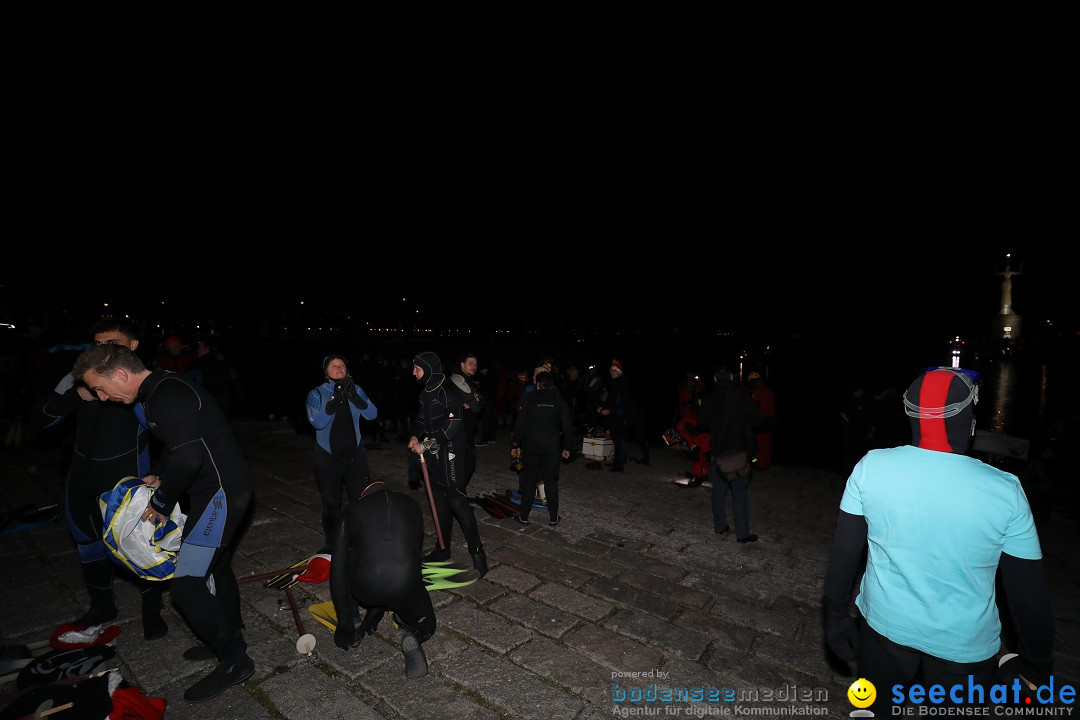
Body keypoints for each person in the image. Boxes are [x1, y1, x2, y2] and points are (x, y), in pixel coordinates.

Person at [822, 367, 1053, 716]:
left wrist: (836, 615)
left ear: (909, 414)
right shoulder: (1005, 490)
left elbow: (845, 553)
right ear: (969, 422)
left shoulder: (872, 466)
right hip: (964, 647)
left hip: (883, 629)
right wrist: (1036, 661)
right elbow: (1027, 592)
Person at [72, 343, 255, 703]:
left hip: (220, 496)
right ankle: (230, 636)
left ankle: (234, 661)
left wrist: (159, 502)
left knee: (186, 585)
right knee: (215, 568)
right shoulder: (164, 389)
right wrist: (161, 475)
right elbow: (184, 446)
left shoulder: (166, 395)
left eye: (101, 388)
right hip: (221, 490)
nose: (103, 397)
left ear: (121, 374)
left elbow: (189, 457)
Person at [32, 318, 166, 639]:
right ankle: (101, 607)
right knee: (87, 542)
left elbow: (170, 434)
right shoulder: (79, 376)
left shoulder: (141, 381)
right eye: (97, 344)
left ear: (132, 347)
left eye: (112, 344)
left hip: (125, 477)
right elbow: (39, 421)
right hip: (81, 476)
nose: (103, 350)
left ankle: (152, 610)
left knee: (140, 546)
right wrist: (78, 394)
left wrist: (163, 475)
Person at [330, 480, 436, 679]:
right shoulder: (412, 505)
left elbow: (337, 569)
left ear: (363, 496)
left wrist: (342, 619)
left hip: (365, 588)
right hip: (404, 586)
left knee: (354, 555)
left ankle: (354, 615)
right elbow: (410, 555)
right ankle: (415, 635)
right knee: (427, 621)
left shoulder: (351, 511)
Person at [407, 351, 487, 576]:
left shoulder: (448, 391)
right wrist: (415, 435)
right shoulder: (426, 392)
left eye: (417, 368)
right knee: (439, 500)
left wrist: (427, 444)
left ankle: (478, 554)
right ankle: (443, 549)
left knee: (457, 501)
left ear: (429, 368)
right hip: (434, 452)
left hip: (451, 452)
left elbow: (453, 428)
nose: (413, 372)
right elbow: (421, 419)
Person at [306, 354, 378, 553]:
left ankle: (360, 541)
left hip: (355, 456)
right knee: (331, 505)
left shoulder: (356, 389)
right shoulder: (316, 394)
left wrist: (354, 396)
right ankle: (332, 545)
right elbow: (318, 423)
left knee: (360, 503)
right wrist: (335, 399)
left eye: (342, 365)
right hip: (328, 458)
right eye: (333, 365)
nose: (338, 368)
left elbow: (372, 415)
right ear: (326, 371)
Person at [696, 364, 761, 542]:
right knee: (739, 492)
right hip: (741, 452)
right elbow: (756, 422)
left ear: (716, 379)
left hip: (719, 451)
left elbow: (701, 424)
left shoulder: (709, 398)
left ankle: (719, 526)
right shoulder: (743, 395)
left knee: (718, 490)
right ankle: (742, 534)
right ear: (732, 378)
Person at [511, 370, 573, 526]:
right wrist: (567, 447)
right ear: (552, 385)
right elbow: (567, 426)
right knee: (550, 481)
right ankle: (553, 518)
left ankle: (524, 516)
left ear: (537, 384)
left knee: (530, 480)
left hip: (531, 446)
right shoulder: (559, 400)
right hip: (551, 447)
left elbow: (520, 424)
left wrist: (515, 444)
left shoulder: (530, 398)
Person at [190, 341, 244, 418]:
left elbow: (186, 380)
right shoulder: (225, 363)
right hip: (224, 399)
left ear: (207, 349)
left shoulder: (197, 364)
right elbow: (235, 381)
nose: (197, 350)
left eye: (199, 348)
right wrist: (240, 398)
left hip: (206, 399)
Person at [747, 371, 776, 470]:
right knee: (767, 443)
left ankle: (760, 464)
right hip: (771, 420)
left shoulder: (757, 391)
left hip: (761, 421)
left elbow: (754, 407)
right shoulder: (770, 391)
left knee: (759, 444)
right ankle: (766, 463)